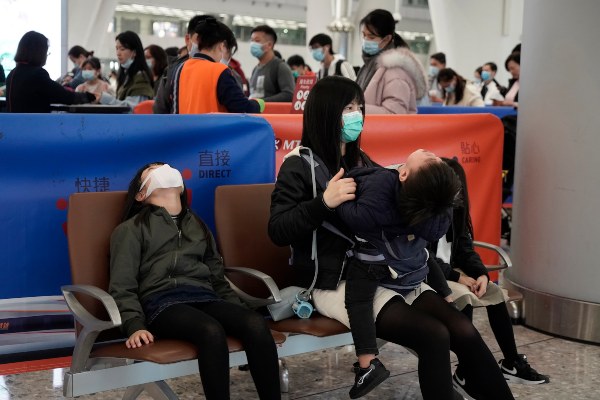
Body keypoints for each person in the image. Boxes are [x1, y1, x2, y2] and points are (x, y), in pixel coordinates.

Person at [269, 75, 515, 400]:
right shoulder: (298, 165)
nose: (357, 115)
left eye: (359, 106)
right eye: (348, 108)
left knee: (463, 330)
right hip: (337, 280)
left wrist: (455, 273)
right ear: (326, 113)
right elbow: (278, 229)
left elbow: (397, 230)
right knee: (433, 335)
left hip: (387, 271)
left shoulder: (362, 162)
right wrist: (324, 202)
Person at [109, 162, 281, 400]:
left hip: (203, 297)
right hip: (161, 304)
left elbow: (217, 277)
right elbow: (122, 285)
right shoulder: (131, 229)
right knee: (210, 331)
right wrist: (134, 325)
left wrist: (236, 311)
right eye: (154, 170)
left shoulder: (198, 225)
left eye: (165, 166)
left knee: (254, 323)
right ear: (141, 195)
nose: (164, 169)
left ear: (180, 187)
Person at [335, 149, 461, 398]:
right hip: (412, 263)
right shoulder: (435, 210)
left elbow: (353, 217)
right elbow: (433, 235)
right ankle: (448, 299)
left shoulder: (381, 185)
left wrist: (337, 199)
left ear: (402, 173)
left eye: (428, 157)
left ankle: (367, 363)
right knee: (426, 257)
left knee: (358, 301)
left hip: (373, 261)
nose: (431, 153)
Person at [425, 157, 549, 398]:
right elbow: (423, 257)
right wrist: (457, 278)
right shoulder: (424, 212)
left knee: (494, 292)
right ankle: (466, 371)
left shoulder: (456, 211)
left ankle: (511, 363)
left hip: (450, 273)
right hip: (431, 276)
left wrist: (480, 273)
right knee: (466, 297)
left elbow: (464, 247)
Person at [172, 17, 263, 114]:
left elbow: (175, 108)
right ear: (222, 46)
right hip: (213, 128)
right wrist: (258, 103)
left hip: (186, 128)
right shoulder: (220, 70)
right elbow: (241, 107)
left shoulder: (181, 68)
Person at [355, 9, 427, 114]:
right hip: (370, 129)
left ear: (387, 39)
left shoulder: (396, 72)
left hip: (384, 130)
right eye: (364, 35)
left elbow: (394, 114)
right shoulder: (368, 66)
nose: (365, 40)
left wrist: (355, 109)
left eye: (371, 37)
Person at [5, 31, 94, 113]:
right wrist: (89, 96)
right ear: (39, 52)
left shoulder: (12, 74)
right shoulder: (37, 74)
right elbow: (64, 96)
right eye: (46, 52)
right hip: (35, 126)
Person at [154, 14, 209, 114]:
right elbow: (160, 109)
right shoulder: (172, 71)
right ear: (188, 39)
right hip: (177, 127)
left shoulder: (221, 71)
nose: (205, 44)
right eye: (199, 39)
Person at [97, 31, 154, 110]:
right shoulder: (127, 75)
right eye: (117, 49)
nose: (118, 53)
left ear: (134, 52)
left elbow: (133, 108)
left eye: (122, 49)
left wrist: (107, 99)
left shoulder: (140, 77)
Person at [248, 25, 295, 102]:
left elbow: (289, 94)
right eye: (252, 41)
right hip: (255, 113)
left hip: (270, 113)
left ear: (269, 45)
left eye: (257, 41)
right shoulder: (255, 69)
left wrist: (261, 102)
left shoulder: (280, 67)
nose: (253, 44)